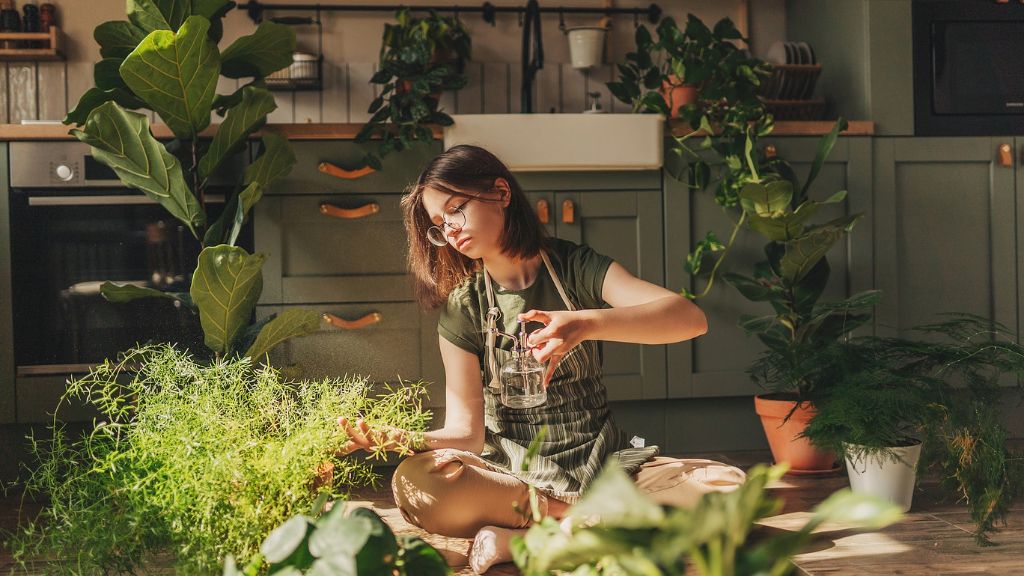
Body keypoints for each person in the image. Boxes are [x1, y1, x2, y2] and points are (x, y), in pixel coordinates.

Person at [338, 145, 745, 574]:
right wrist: (399, 439)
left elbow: (689, 319)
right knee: (413, 483)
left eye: (456, 209)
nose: (450, 230)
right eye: (439, 225)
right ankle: (586, 522)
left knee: (729, 491)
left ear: (500, 192)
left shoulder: (577, 268)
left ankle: (528, 540)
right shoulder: (464, 307)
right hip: (511, 473)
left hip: (601, 458)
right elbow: (466, 435)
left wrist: (585, 324)